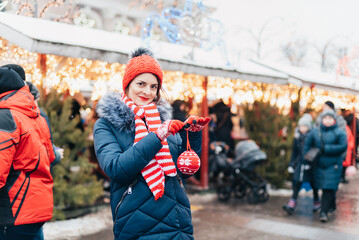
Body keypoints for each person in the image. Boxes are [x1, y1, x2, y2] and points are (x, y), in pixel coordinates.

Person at [93, 47, 210, 240]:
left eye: (153, 86)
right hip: (137, 225)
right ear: (127, 84)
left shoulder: (162, 121)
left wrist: (193, 137)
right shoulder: (106, 124)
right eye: (141, 83)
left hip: (178, 224)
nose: (147, 92)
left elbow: (182, 171)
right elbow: (116, 169)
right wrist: (156, 137)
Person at [0, 65, 55, 240]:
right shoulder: (34, 115)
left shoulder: (5, 116)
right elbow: (50, 156)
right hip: (35, 207)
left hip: (13, 210)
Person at [304, 109, 347, 223]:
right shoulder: (315, 131)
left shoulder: (340, 132)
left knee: (328, 188)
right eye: (325, 118)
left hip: (333, 165)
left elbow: (343, 146)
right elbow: (308, 145)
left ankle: (323, 212)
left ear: (334, 120)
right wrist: (306, 158)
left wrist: (326, 148)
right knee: (325, 187)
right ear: (322, 119)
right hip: (319, 164)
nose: (327, 121)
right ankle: (330, 205)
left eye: (330, 118)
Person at [283, 113, 320, 215]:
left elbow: (316, 149)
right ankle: (292, 202)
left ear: (308, 126)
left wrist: (310, 160)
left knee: (313, 183)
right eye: (301, 126)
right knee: (297, 182)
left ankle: (316, 201)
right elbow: (294, 152)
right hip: (300, 163)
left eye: (304, 126)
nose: (302, 128)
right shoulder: (297, 137)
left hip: (310, 164)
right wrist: (291, 164)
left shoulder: (313, 135)